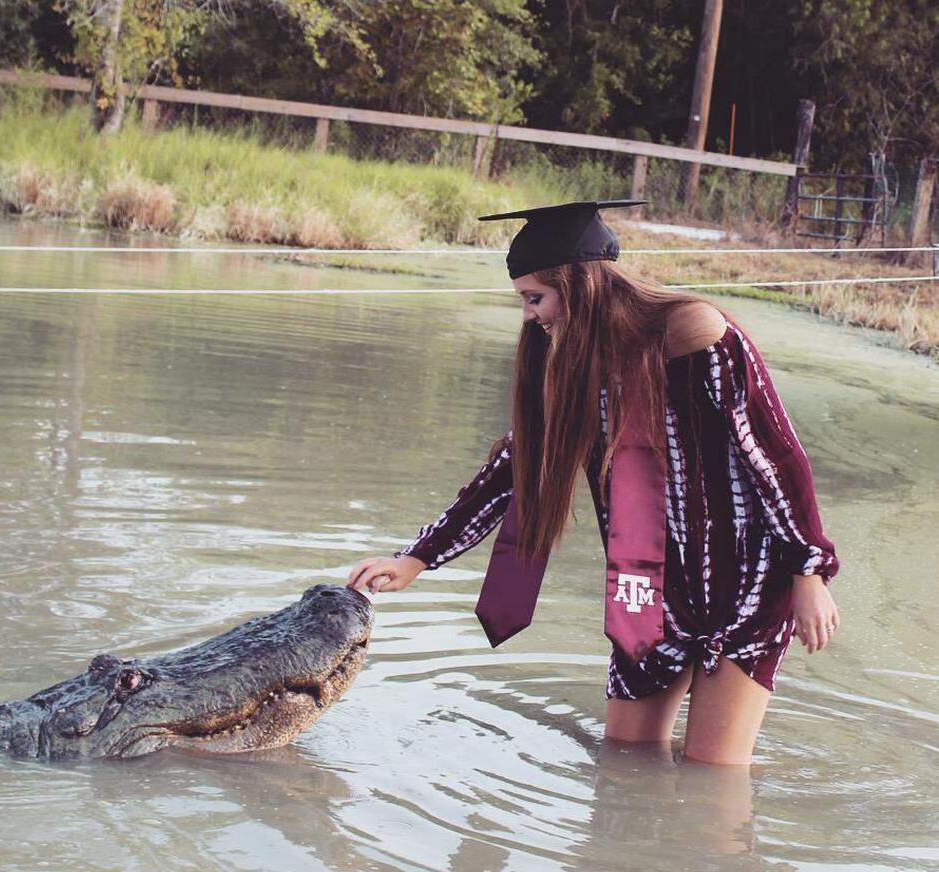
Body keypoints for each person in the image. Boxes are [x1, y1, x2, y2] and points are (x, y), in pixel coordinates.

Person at [346, 199, 842, 766]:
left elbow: (774, 456)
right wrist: (417, 558)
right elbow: (516, 465)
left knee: (712, 777)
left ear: (576, 285)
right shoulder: (573, 366)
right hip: (650, 589)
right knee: (623, 763)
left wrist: (809, 571)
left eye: (536, 298)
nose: (529, 316)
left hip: (745, 586)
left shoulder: (696, 335)